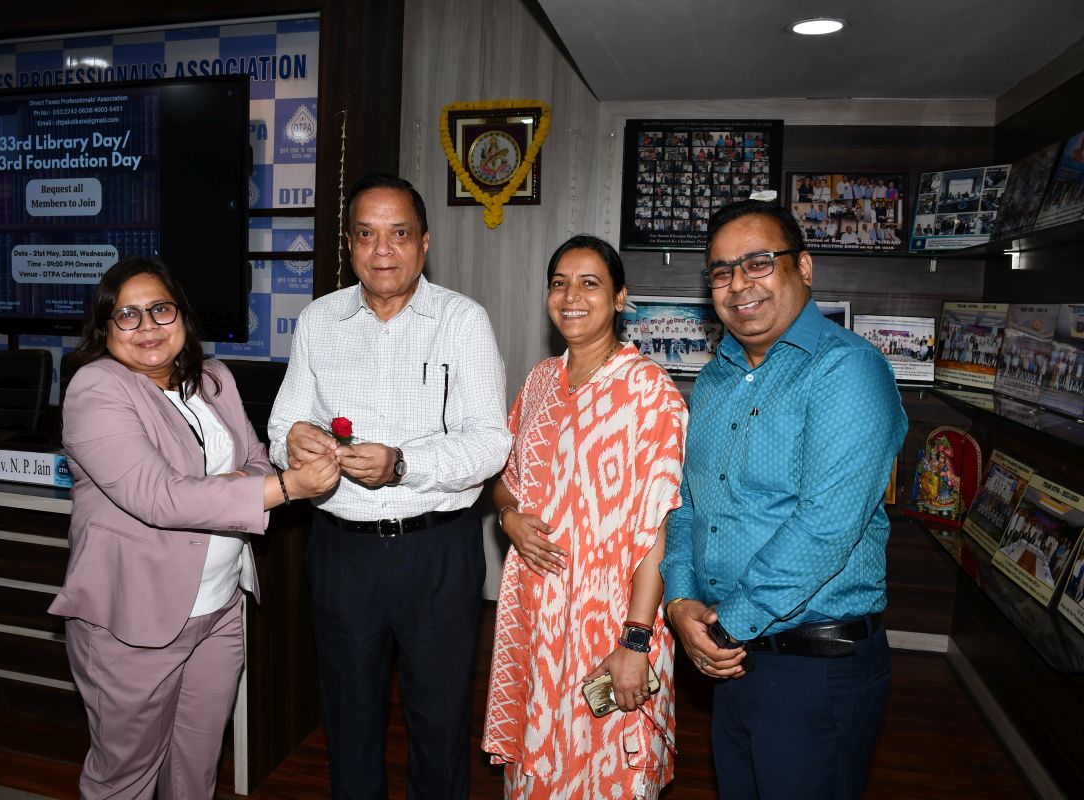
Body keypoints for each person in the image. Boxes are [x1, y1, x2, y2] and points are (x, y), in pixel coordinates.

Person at [49, 257, 340, 799]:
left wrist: (227, 484)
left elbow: (255, 458)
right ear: (105, 329)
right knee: (125, 778)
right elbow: (159, 497)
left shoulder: (213, 379)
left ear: (181, 314)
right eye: (127, 315)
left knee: (196, 773)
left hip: (220, 609)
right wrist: (284, 487)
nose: (147, 327)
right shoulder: (97, 389)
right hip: (135, 620)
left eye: (160, 310)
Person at [267, 173, 510, 799]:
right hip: (342, 552)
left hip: (436, 552)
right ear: (349, 244)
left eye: (399, 233)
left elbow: (491, 443)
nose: (383, 250)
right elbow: (281, 426)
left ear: (424, 242)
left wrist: (402, 465)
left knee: (440, 727)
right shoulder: (319, 320)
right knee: (348, 724)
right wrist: (294, 442)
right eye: (366, 234)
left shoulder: (462, 320)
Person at [661, 200, 907, 799]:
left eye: (758, 263)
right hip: (732, 657)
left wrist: (725, 626)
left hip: (814, 670)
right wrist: (680, 600)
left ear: (804, 266)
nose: (738, 284)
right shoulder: (716, 377)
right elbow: (691, 502)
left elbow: (827, 525)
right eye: (721, 271)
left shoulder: (847, 369)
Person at [483, 235, 686, 798]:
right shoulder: (540, 381)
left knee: (609, 768)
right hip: (537, 615)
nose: (571, 296)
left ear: (620, 298)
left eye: (589, 283)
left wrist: (636, 641)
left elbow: (658, 527)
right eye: (559, 283)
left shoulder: (650, 392)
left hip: (613, 618)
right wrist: (508, 518)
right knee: (537, 767)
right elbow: (504, 480)